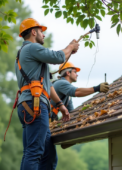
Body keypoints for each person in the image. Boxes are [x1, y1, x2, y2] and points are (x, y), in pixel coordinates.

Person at [15, 18, 79, 170]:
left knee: (40, 154)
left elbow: (47, 86)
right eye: (41, 32)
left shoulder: (26, 54)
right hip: (36, 105)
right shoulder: (32, 48)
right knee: (34, 153)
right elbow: (57, 57)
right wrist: (71, 46)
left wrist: (61, 105)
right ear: (33, 32)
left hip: (27, 104)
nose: (43, 35)